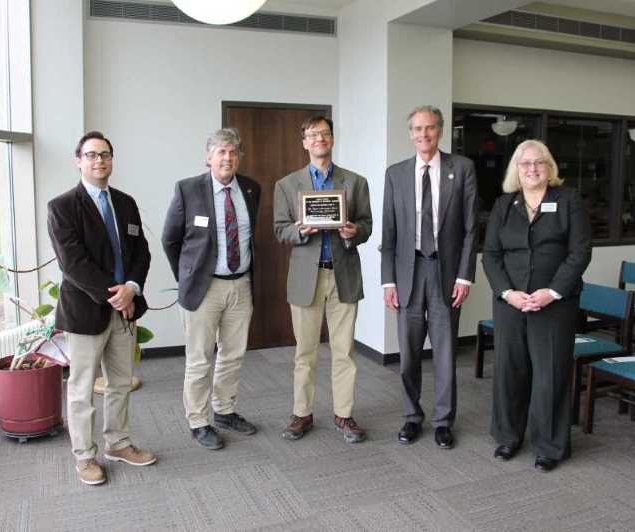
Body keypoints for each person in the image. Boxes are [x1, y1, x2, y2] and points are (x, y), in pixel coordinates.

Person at [47, 131, 156, 486]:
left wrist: (133, 289)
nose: (99, 161)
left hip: (124, 310)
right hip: (86, 311)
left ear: (112, 159)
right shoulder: (62, 207)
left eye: (105, 155)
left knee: (120, 383)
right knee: (81, 390)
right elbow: (73, 264)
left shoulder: (125, 203)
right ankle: (84, 457)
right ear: (78, 160)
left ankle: (119, 443)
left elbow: (141, 252)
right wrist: (116, 294)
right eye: (91, 155)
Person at [482, 139, 592, 472]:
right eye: (525, 163)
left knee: (551, 374)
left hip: (555, 305)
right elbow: (491, 254)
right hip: (511, 303)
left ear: (550, 167)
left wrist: (553, 291)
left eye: (539, 162)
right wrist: (507, 292)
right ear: (516, 169)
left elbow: (580, 252)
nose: (532, 168)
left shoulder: (568, 200)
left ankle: (550, 445)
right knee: (510, 370)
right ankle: (508, 436)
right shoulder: (504, 204)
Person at [381, 105, 478, 448]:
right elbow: (389, 232)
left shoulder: (462, 168)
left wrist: (465, 277)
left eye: (430, 128)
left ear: (441, 131)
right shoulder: (396, 174)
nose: (424, 134)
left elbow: (470, 229)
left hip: (445, 272)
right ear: (410, 134)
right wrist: (388, 281)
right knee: (408, 353)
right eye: (418, 129)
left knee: (446, 351)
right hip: (408, 273)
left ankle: (443, 420)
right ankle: (411, 417)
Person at [273, 116, 373, 443]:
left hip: (343, 274)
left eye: (325, 134)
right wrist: (299, 230)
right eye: (313, 135)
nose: (319, 139)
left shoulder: (355, 182)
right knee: (306, 351)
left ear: (332, 139)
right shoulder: (288, 185)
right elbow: (280, 229)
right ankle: (302, 413)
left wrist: (354, 232)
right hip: (306, 277)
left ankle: (344, 415)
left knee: (344, 351)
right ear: (304, 142)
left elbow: (367, 226)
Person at [161, 128, 261, 450]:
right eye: (221, 152)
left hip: (241, 285)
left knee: (232, 354)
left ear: (239, 157)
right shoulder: (188, 189)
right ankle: (198, 421)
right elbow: (170, 239)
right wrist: (190, 274)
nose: (227, 157)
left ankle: (225, 410)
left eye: (233, 152)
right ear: (208, 157)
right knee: (200, 358)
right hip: (204, 289)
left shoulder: (250, 189)